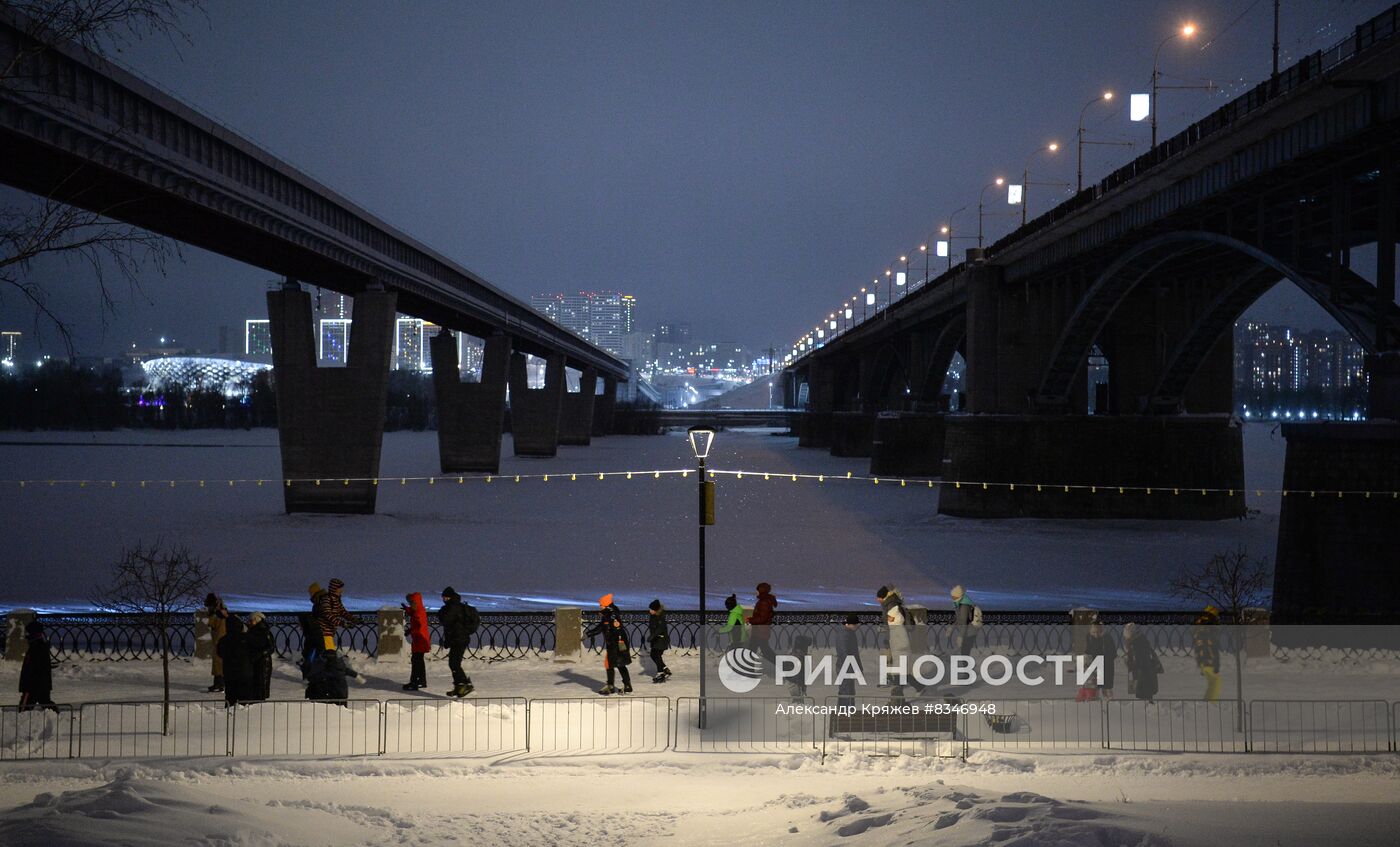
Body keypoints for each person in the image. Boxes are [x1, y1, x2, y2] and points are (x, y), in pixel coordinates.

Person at [877, 585, 920, 697]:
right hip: (896, 641)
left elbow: (894, 620)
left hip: (898, 643)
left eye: (879, 598)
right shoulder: (890, 606)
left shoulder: (892, 606)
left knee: (898, 669)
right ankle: (916, 687)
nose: (877, 600)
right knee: (899, 669)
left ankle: (899, 694)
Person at [586, 593, 632, 695]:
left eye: (601, 605)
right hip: (612, 644)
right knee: (611, 664)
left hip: (617, 644)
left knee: (619, 664)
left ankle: (620, 686)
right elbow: (601, 627)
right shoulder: (607, 615)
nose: (600, 606)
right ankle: (615, 685)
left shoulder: (612, 615)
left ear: (606, 605)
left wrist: (619, 643)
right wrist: (588, 634)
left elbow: (618, 629)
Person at [438, 586, 477, 697]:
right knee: (454, 663)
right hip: (460, 638)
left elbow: (445, 620)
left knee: (454, 663)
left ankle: (464, 685)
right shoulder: (456, 606)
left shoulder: (452, 607)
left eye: (445, 597)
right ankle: (459, 687)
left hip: (459, 638)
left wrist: (441, 612)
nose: (444, 600)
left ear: (449, 597)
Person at [217, 616, 255, 707]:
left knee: (230, 698)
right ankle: (244, 718)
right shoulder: (246, 638)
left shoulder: (224, 640)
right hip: (245, 673)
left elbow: (220, 653)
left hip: (230, 674)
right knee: (245, 700)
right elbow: (254, 651)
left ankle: (229, 717)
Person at [18, 620, 54, 711]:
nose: (26, 636)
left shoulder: (37, 648)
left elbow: (32, 668)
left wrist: (28, 685)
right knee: (46, 703)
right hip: (39, 684)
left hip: (34, 685)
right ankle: (59, 718)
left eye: (28, 633)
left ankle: (60, 719)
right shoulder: (37, 646)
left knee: (24, 709)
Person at [1122, 623, 1161, 703]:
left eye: (1127, 634)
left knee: (1144, 696)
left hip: (1142, 674)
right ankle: (1149, 707)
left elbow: (1138, 661)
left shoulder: (1135, 644)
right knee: (1147, 695)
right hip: (1146, 673)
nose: (1125, 636)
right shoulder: (1141, 640)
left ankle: (1148, 710)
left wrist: (1128, 663)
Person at [316, 578, 357, 654]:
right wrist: (342, 623)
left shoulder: (336, 599)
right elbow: (328, 615)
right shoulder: (327, 599)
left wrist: (353, 619)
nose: (341, 590)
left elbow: (342, 612)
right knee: (330, 653)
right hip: (324, 631)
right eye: (340, 588)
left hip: (330, 631)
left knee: (326, 653)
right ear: (334, 588)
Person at [1080, 620, 1117, 700]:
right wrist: (1086, 658)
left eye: (1099, 632)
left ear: (1102, 630)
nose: (1096, 634)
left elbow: (1113, 654)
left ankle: (1110, 704)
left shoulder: (1107, 638)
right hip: (1095, 666)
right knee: (1094, 687)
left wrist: (1104, 660)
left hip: (1106, 666)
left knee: (1106, 688)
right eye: (1093, 632)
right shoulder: (1089, 637)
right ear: (1090, 630)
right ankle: (1095, 705)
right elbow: (1088, 650)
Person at [402, 592, 431, 691]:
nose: (410, 604)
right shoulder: (418, 610)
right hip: (420, 640)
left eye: (411, 602)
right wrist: (407, 609)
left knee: (416, 661)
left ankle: (415, 682)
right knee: (418, 660)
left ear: (415, 602)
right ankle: (421, 681)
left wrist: (411, 631)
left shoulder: (419, 613)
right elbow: (414, 614)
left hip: (420, 640)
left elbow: (419, 627)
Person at [1193, 605, 1222, 701]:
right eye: (1216, 617)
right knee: (1216, 682)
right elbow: (1209, 646)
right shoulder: (1207, 628)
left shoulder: (1202, 626)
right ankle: (1209, 704)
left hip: (1205, 659)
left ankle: (1208, 703)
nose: (1218, 619)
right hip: (1207, 660)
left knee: (1213, 682)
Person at [245, 612, 275, 702]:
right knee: (255, 686)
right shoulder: (252, 631)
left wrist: (260, 654)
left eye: (251, 620)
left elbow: (271, 647)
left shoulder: (264, 631)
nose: (249, 622)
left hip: (262, 662)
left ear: (256, 620)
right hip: (255, 661)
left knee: (260, 686)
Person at [835, 613, 862, 709]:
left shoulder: (849, 633)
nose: (857, 627)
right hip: (845, 667)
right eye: (856, 625)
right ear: (852, 624)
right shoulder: (844, 634)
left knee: (849, 691)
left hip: (848, 666)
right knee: (846, 691)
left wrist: (858, 667)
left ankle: (847, 713)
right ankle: (845, 715)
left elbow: (854, 653)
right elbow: (844, 652)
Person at [747, 582, 778, 664]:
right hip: (760, 631)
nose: (756, 592)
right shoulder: (765, 601)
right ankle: (748, 672)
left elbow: (763, 618)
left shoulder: (764, 602)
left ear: (761, 591)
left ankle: (786, 668)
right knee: (752, 651)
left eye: (758, 590)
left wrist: (751, 620)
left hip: (760, 631)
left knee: (765, 652)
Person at [299, 582, 325, 679]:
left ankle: (312, 675)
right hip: (317, 633)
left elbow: (319, 618)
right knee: (314, 653)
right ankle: (313, 674)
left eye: (310, 592)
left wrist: (307, 621)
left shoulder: (320, 601)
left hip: (318, 633)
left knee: (313, 654)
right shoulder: (319, 600)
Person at [204, 593, 228, 693]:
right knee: (218, 662)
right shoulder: (222, 611)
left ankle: (220, 683)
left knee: (218, 662)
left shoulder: (217, 613)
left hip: (219, 639)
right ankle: (218, 683)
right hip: (221, 638)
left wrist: (210, 615)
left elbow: (211, 623)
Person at [647, 599, 671, 683]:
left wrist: (652, 636)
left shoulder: (660, 616)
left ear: (656, 610)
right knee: (655, 655)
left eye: (651, 609)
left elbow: (660, 628)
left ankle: (661, 672)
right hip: (657, 639)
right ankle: (665, 669)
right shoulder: (654, 616)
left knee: (655, 655)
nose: (650, 611)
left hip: (661, 639)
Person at [950, 585, 977, 658]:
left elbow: (964, 622)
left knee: (965, 655)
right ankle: (965, 668)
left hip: (969, 633)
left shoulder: (964, 606)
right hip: (966, 633)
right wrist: (951, 628)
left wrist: (960, 637)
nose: (952, 598)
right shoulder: (960, 603)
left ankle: (966, 669)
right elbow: (959, 619)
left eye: (954, 597)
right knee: (964, 654)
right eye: (952, 596)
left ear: (959, 595)